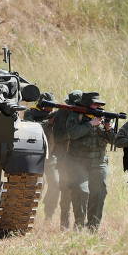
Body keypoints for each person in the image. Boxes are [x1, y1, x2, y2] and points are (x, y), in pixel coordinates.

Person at [65, 91, 115, 230]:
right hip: (78, 162)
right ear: (87, 105)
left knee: (99, 193)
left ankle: (93, 227)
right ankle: (79, 225)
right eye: (95, 104)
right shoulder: (76, 116)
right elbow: (72, 133)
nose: (98, 106)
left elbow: (115, 141)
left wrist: (108, 129)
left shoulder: (105, 118)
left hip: (99, 162)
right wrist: (90, 124)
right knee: (81, 191)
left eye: (100, 104)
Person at [24, 92, 62, 221]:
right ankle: (26, 214)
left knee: (56, 184)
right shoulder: (31, 113)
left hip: (51, 157)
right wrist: (48, 122)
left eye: (52, 107)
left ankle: (49, 214)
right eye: (48, 106)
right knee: (37, 186)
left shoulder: (54, 116)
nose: (50, 109)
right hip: (35, 156)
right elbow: (30, 128)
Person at [53, 90, 82, 229]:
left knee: (82, 191)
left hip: (82, 160)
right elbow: (58, 136)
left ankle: (80, 224)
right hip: (64, 159)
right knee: (66, 192)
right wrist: (73, 133)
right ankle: (64, 224)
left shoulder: (85, 114)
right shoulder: (61, 113)